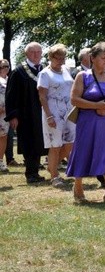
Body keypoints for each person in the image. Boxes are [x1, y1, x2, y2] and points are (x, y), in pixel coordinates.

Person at [67, 42, 105, 203]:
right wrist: (96, 106)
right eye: (102, 58)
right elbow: (74, 99)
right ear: (92, 58)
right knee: (84, 151)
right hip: (88, 121)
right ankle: (78, 188)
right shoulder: (83, 76)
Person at [4, 42, 46, 183]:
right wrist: (13, 116)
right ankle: (30, 173)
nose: (36, 55)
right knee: (29, 141)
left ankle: (36, 171)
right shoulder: (19, 72)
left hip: (40, 113)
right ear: (26, 54)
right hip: (25, 114)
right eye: (33, 52)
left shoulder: (43, 70)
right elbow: (11, 96)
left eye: (38, 52)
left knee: (39, 141)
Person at [37, 44, 76, 187]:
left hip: (69, 112)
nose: (60, 60)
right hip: (53, 112)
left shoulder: (66, 70)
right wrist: (48, 116)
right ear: (51, 57)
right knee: (55, 145)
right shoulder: (45, 74)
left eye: (63, 57)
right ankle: (54, 175)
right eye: (57, 57)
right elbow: (42, 97)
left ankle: (52, 167)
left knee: (70, 143)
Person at [0, 59, 10, 173]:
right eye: (3, 66)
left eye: (7, 66)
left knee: (3, 137)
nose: (6, 68)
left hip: (5, 114)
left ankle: (1, 161)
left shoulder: (9, 80)